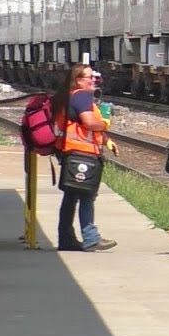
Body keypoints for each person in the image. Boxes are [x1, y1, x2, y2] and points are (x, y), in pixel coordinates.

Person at [53, 63, 116, 252]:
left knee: (71, 196)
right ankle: (90, 238)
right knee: (87, 195)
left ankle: (66, 239)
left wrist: (105, 141)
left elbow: (79, 124)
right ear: (78, 80)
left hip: (71, 152)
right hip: (83, 154)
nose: (93, 80)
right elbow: (89, 122)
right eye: (89, 77)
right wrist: (104, 124)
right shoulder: (82, 96)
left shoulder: (69, 96)